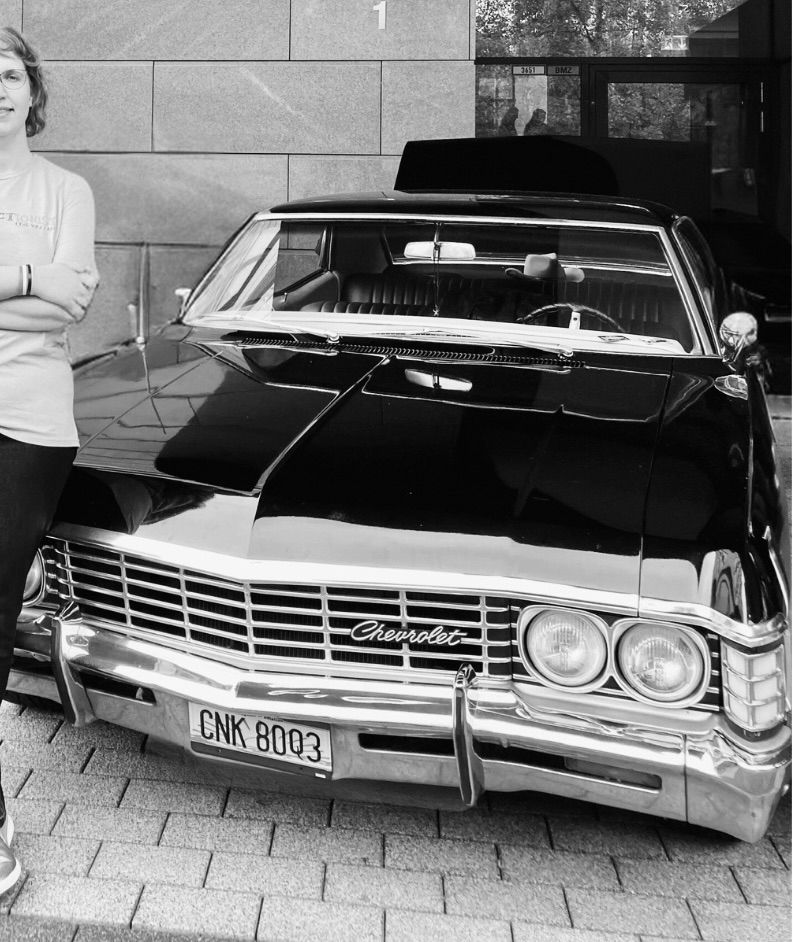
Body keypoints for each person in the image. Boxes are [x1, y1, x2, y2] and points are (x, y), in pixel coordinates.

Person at [0, 26, 97, 894]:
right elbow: (49, 290)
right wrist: (31, 280)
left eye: (7, 73)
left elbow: (69, 303)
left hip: (31, 424)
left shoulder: (68, 188)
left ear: (32, 89)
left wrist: (30, 288)